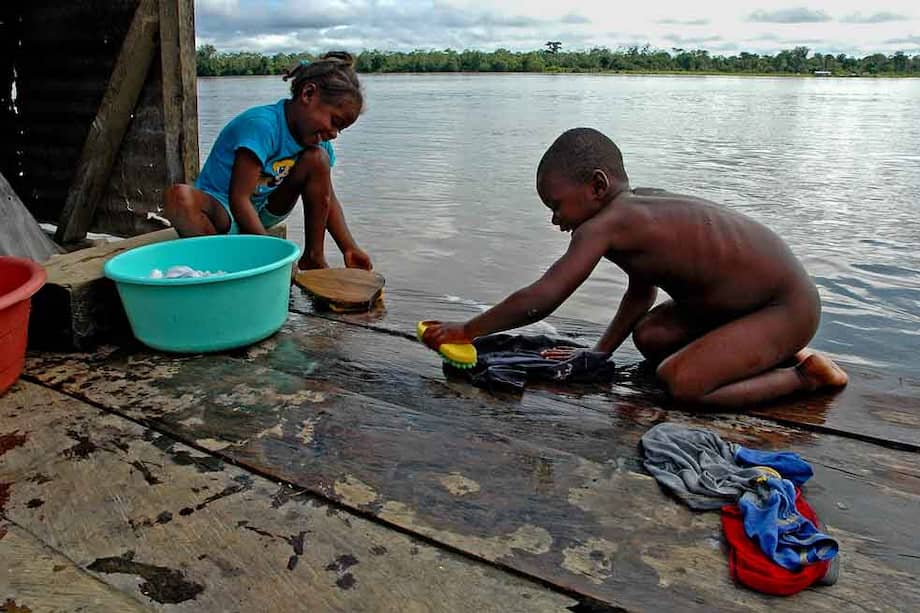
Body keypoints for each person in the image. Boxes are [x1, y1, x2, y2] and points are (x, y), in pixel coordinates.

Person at [422, 128, 848, 409]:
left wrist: (469, 330)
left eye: (556, 205)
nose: (555, 219)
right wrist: (599, 352)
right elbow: (642, 293)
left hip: (783, 308)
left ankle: (805, 375)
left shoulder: (607, 224)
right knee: (650, 335)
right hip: (739, 309)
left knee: (681, 382)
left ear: (597, 186)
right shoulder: (633, 212)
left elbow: (542, 298)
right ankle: (766, 350)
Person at [164, 51, 372, 271]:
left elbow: (327, 198)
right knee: (179, 198)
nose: (333, 133)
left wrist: (349, 248)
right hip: (224, 211)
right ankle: (220, 263)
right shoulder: (262, 125)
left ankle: (313, 257)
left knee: (318, 159)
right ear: (308, 94)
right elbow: (239, 199)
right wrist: (272, 256)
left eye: (340, 129)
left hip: (266, 209)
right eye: (334, 121)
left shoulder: (317, 142)